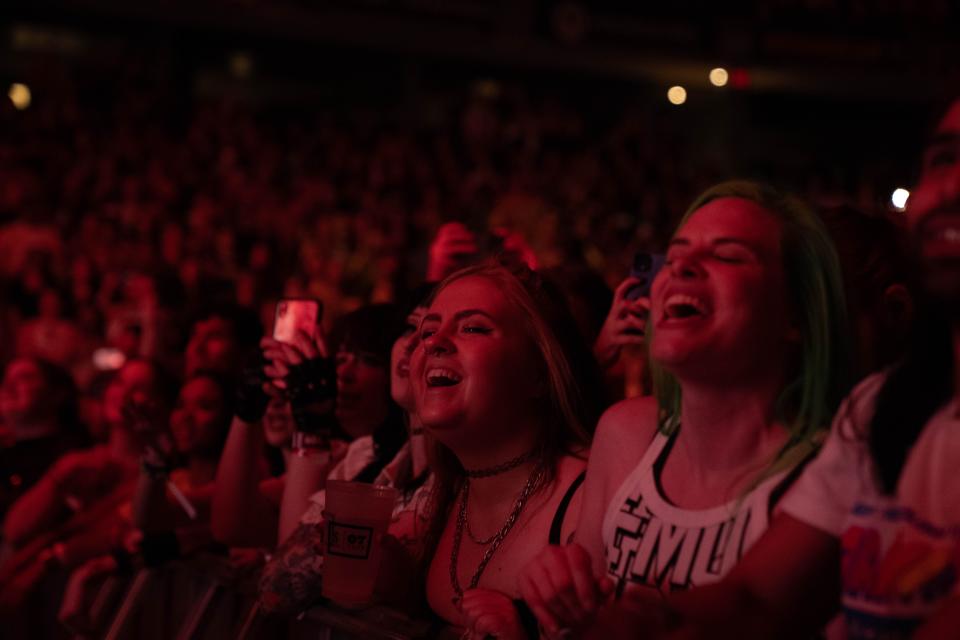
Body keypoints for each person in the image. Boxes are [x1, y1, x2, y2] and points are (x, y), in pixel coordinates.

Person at [648, 98, 960, 640]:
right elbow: (756, 596)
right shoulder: (882, 407)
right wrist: (645, 619)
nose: (953, 187)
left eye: (728, 254)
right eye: (944, 160)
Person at [519, 180, 850, 636]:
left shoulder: (831, 470)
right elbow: (583, 615)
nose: (681, 269)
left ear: (797, 314)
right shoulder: (625, 435)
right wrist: (555, 591)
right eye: (673, 258)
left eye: (728, 255)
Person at [412, 261, 605, 638]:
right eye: (428, 331)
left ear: (538, 373)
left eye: (473, 327)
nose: (434, 342)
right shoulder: (439, 495)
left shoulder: (589, 502)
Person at [257, 285, 435, 615]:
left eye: (367, 359)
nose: (413, 344)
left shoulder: (453, 476)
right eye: (411, 328)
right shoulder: (373, 459)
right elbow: (278, 584)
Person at [210, 304, 406, 549]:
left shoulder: (398, 460)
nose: (343, 373)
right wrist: (246, 412)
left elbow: (296, 556)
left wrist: (313, 424)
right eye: (340, 358)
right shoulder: (343, 457)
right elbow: (230, 526)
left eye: (367, 359)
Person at [0, 357, 87, 518]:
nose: (7, 386)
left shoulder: (75, 458)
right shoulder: (7, 453)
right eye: (6, 378)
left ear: (57, 394)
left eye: (24, 378)